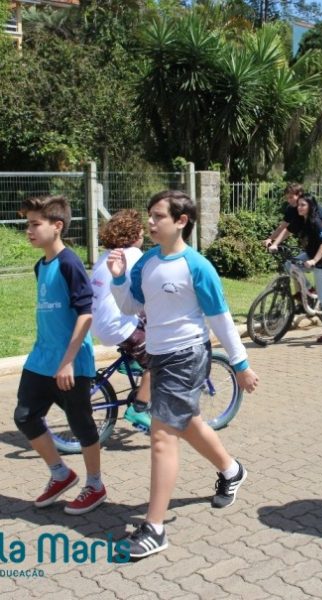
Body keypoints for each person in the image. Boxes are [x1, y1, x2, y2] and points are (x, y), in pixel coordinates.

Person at [108, 190, 259, 559]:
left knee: (162, 435)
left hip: (187, 355)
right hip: (157, 356)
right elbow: (129, 306)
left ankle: (155, 528)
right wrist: (119, 279)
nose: (150, 222)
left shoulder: (197, 266)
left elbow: (221, 319)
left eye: (158, 216)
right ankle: (232, 470)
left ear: (181, 221)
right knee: (187, 423)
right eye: (150, 215)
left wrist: (240, 364)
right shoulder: (146, 263)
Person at [14, 195, 106, 515]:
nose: (29, 230)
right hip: (41, 359)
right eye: (27, 224)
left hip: (72, 362)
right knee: (24, 416)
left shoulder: (70, 263)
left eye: (35, 224)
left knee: (81, 425)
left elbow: (86, 315)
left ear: (57, 226)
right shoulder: (40, 266)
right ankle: (60, 474)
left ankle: (95, 485)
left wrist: (67, 361)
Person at [91, 209, 151, 431]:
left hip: (99, 324)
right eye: (141, 232)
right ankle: (139, 408)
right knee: (160, 361)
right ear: (134, 235)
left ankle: (132, 361)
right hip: (118, 326)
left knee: (143, 318)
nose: (143, 236)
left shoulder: (106, 256)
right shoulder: (133, 255)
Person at [269, 193, 322, 343]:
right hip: (310, 254)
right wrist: (275, 244)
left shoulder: (316, 222)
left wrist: (314, 260)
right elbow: (287, 231)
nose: (299, 207)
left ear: (310, 206)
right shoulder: (300, 220)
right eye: (299, 205)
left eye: (303, 205)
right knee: (290, 264)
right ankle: (308, 290)